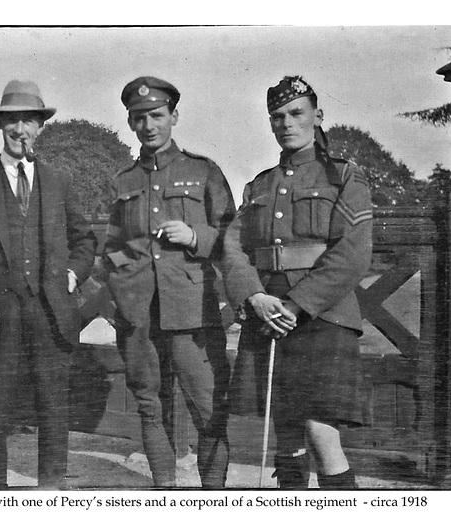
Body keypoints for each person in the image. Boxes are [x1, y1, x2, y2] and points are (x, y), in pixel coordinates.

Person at [0, 80, 96, 489]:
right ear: (1, 125)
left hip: (51, 314)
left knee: (53, 409)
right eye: (12, 121)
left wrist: (73, 274)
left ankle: (50, 492)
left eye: (29, 121)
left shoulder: (59, 181)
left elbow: (84, 240)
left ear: (40, 126)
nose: (20, 129)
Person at [221, 76, 373, 489]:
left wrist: (295, 304)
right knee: (285, 437)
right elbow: (233, 247)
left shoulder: (344, 177)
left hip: (322, 317)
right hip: (267, 314)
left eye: (296, 113)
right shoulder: (260, 185)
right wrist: (254, 295)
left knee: (322, 435)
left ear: (317, 116)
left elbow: (352, 254)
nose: (286, 123)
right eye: (277, 116)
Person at [104, 76, 236, 488]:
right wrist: (121, 294)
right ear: (130, 123)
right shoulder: (123, 180)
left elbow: (234, 237)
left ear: (174, 117)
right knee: (149, 407)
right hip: (139, 315)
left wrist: (196, 237)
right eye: (139, 118)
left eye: (157, 116)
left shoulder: (203, 171)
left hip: (192, 312)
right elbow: (111, 246)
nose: (149, 125)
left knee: (209, 410)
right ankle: (165, 494)